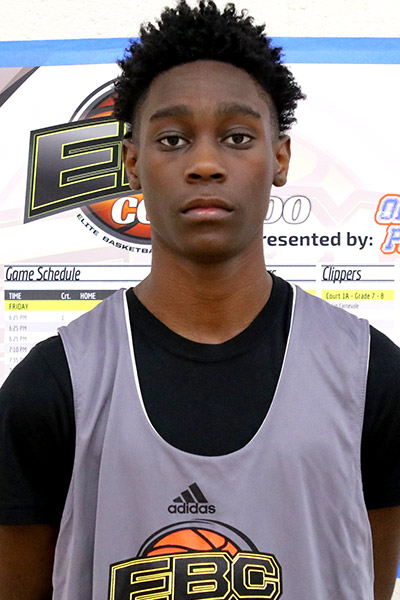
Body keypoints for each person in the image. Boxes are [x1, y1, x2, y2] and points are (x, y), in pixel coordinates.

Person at [0, 1, 400, 599]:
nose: (206, 164)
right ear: (133, 162)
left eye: (237, 137)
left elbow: (363, 577)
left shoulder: (370, 375)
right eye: (173, 139)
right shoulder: (52, 387)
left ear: (279, 158)